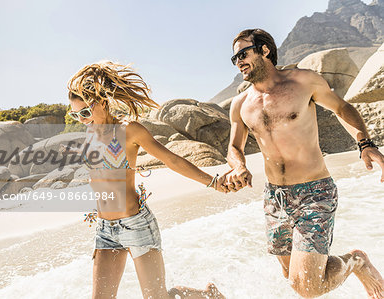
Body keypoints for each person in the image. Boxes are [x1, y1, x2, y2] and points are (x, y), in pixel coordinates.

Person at [224, 28, 384, 298]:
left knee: (306, 286)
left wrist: (365, 144)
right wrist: (238, 166)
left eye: (243, 53)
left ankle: (356, 261)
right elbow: (234, 147)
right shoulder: (241, 104)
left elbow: (342, 108)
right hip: (275, 198)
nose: (238, 61)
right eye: (234, 58)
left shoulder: (302, 82)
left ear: (264, 50)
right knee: (292, 276)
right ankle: (345, 263)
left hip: (315, 191)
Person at [63, 61, 226, 299]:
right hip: (106, 230)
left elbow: (172, 160)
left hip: (136, 225)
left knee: (157, 297)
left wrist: (212, 182)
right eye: (75, 114)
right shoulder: (90, 134)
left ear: (102, 101)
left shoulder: (130, 130)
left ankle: (207, 294)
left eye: (85, 112)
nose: (82, 119)